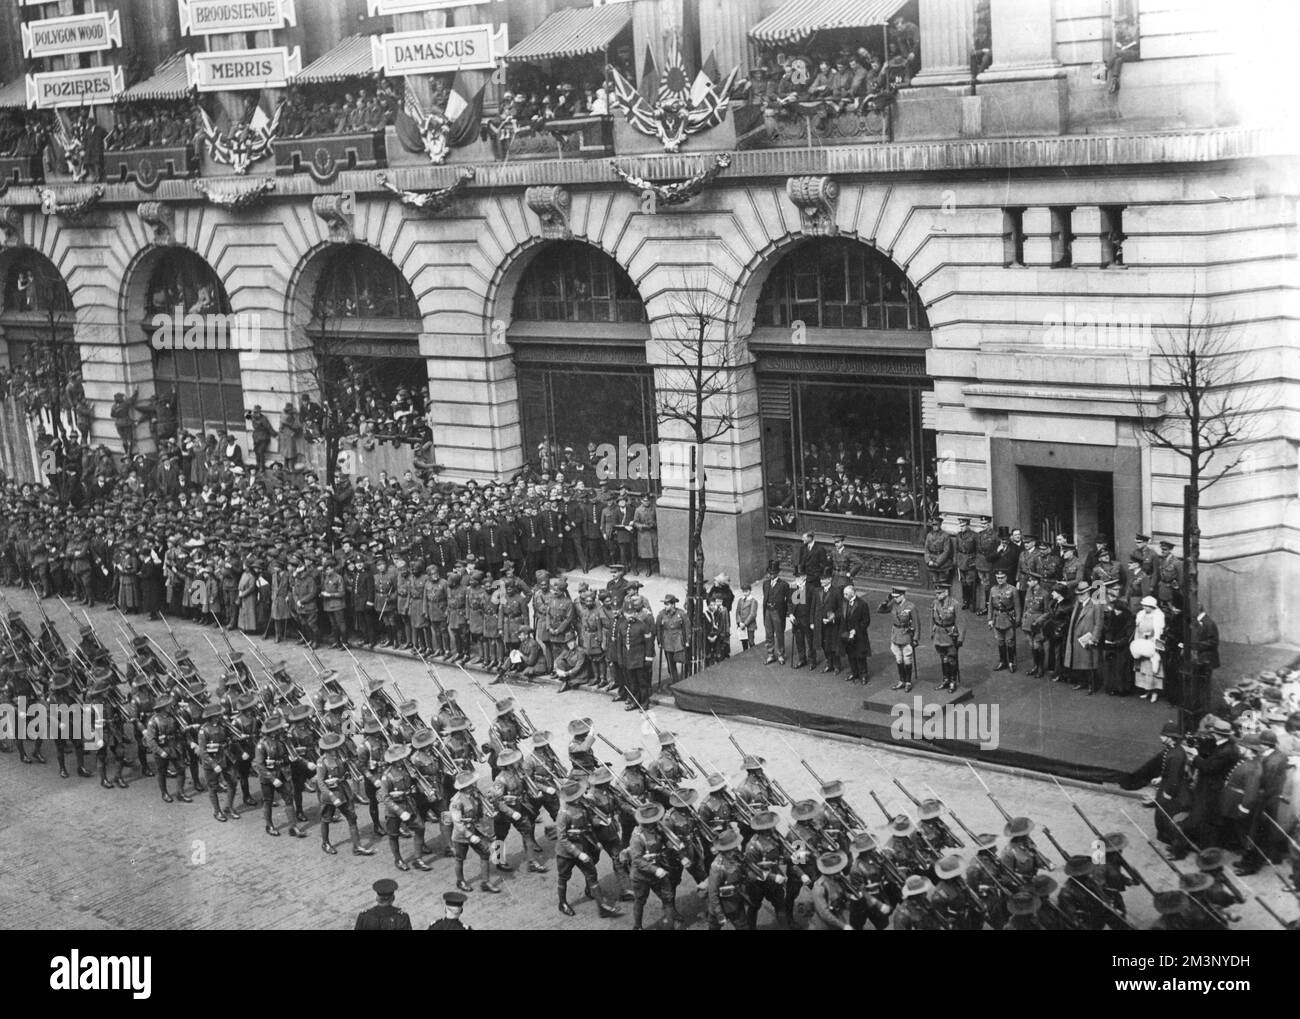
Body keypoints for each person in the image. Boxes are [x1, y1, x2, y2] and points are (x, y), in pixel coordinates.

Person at [1063, 580, 1104, 695]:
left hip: (1088, 637)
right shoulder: (1078, 603)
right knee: (1079, 661)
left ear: (1088, 593)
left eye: (1083, 594)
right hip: (1076, 637)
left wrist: (1094, 638)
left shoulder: (1096, 604)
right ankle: (1082, 682)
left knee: (1090, 663)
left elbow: (1098, 623)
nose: (1080, 596)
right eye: (1079, 594)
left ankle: (1092, 685)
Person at [930, 582, 962, 692]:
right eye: (936, 593)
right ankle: (945, 680)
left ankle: (953, 681)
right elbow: (932, 620)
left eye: (939, 593)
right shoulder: (935, 603)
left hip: (950, 635)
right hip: (939, 635)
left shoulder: (954, 604)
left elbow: (961, 622)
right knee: (943, 659)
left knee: (951, 659)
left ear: (946, 592)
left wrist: (960, 638)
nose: (937, 595)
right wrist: (931, 633)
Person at [841, 583, 872, 684]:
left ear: (852, 593)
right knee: (851, 655)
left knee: (860, 656)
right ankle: (854, 673)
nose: (844, 596)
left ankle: (864, 675)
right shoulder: (845, 603)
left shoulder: (862, 604)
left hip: (859, 636)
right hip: (848, 634)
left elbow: (866, 620)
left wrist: (856, 630)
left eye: (846, 594)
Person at [760, 559, 790, 665]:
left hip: (778, 612)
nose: (771, 575)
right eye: (770, 573)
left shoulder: (784, 585)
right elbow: (765, 597)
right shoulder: (765, 584)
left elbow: (789, 599)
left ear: (778, 573)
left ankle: (781, 654)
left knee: (779, 633)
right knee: (768, 633)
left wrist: (789, 612)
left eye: (773, 573)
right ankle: (770, 654)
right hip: (768, 611)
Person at [734, 583, 757, 651]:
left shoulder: (753, 601)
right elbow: (737, 612)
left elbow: (752, 614)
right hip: (741, 625)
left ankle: (753, 656)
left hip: (750, 625)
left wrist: (745, 623)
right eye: (744, 591)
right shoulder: (740, 600)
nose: (745, 593)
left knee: (751, 642)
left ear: (750, 591)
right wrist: (739, 622)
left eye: (746, 591)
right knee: (744, 642)